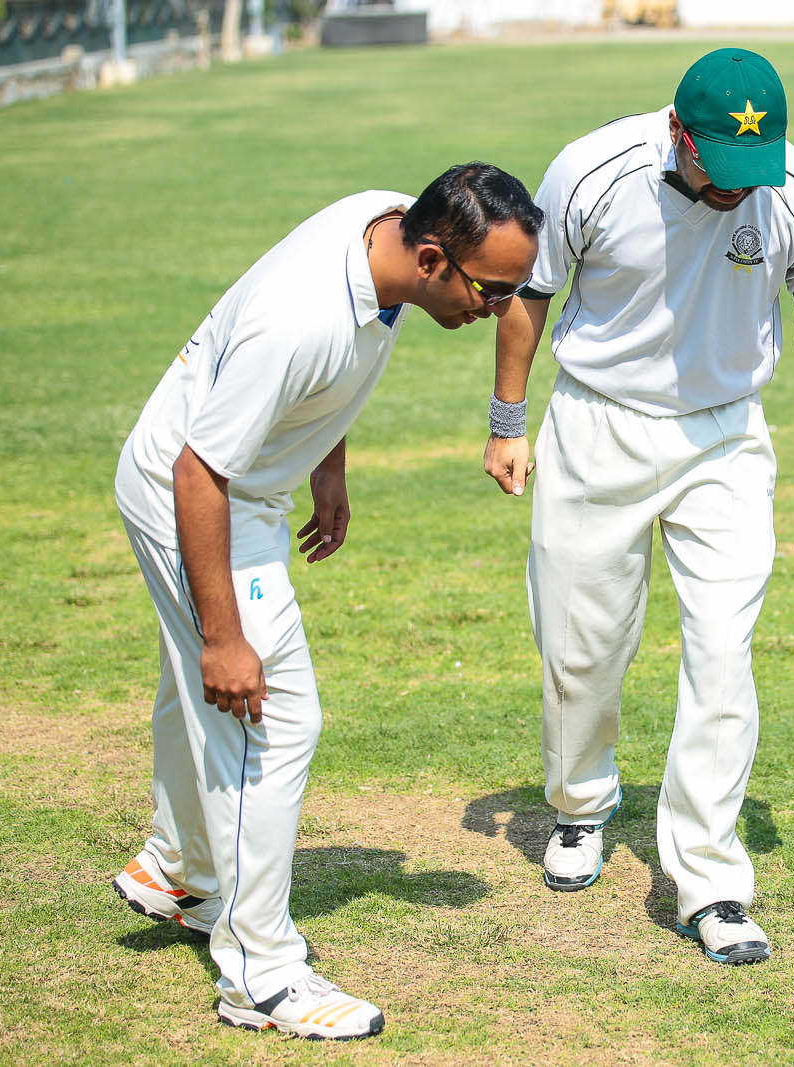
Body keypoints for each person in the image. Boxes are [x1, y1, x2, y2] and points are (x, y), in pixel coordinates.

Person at [111, 164, 541, 1036]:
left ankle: (178, 869)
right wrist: (224, 635)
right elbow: (197, 472)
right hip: (198, 497)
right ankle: (260, 973)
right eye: (493, 291)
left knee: (212, 703)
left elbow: (340, 361)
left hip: (244, 484)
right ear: (431, 259)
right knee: (271, 718)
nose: (502, 310)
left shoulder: (382, 222)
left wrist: (325, 461)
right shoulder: (298, 320)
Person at [482, 48, 794, 965]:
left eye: (750, 171)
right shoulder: (593, 170)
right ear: (679, 131)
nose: (735, 189)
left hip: (724, 435)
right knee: (580, 645)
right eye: (717, 167)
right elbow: (531, 293)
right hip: (596, 420)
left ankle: (711, 881)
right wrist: (507, 420)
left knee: (723, 651)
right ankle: (580, 805)